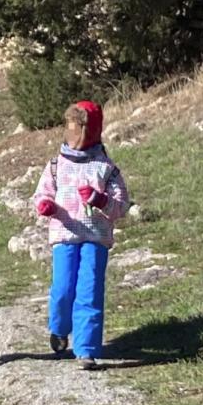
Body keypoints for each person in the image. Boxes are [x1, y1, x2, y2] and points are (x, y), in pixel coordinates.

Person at [33, 101, 129, 370]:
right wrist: (46, 205)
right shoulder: (56, 165)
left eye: (79, 131)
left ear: (92, 132)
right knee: (63, 288)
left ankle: (85, 349)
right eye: (70, 130)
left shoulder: (106, 168)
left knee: (90, 290)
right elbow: (42, 193)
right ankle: (59, 328)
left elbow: (121, 205)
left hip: (96, 237)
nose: (73, 137)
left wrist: (101, 200)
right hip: (64, 234)